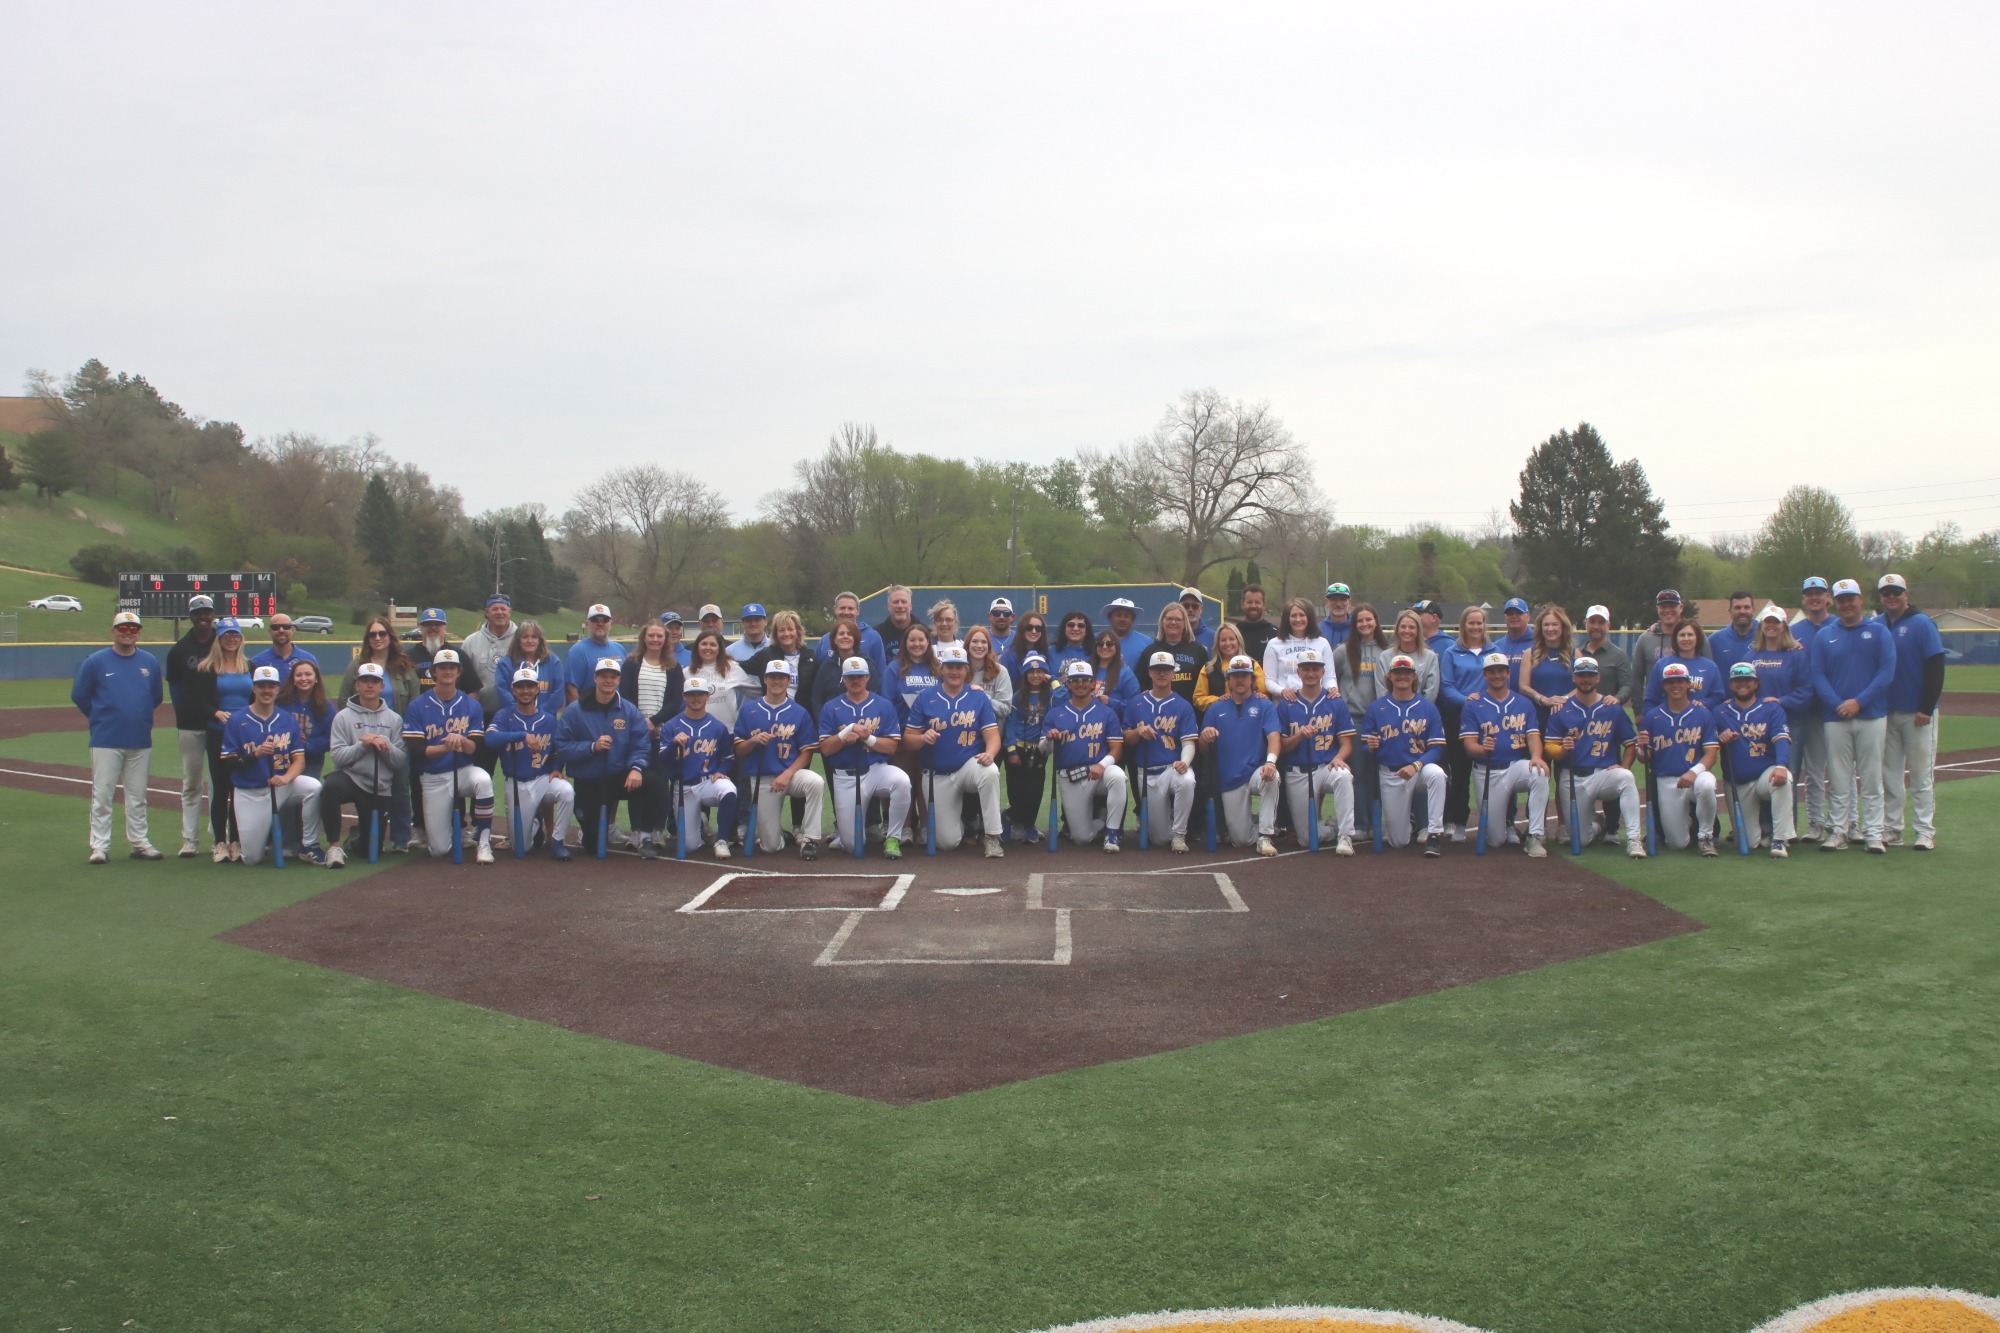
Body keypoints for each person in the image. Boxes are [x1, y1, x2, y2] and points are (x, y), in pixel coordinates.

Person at [1809, 578, 1897, 852]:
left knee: (1871, 777)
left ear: (1860, 600)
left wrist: (1859, 702)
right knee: (1838, 778)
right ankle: (1839, 830)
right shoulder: (1824, 635)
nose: (1847, 604)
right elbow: (1818, 675)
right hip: (1836, 717)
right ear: (1834, 602)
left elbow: (1886, 673)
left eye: (1851, 599)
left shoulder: (1879, 632)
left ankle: (1873, 832)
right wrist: (1838, 704)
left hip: (1872, 715)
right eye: (1842, 600)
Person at [72, 610, 165, 863]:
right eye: (123, 629)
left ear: (139, 634)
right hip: (106, 739)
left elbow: (155, 697)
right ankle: (99, 846)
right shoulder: (96, 662)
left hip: (140, 739)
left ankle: (139, 842)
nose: (128, 633)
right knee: (103, 795)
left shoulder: (149, 662)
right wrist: (101, 717)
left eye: (133, 629)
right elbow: (80, 695)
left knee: (137, 796)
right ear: (113, 632)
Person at [903, 644, 1005, 856]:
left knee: (990, 771)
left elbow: (993, 736)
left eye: (959, 667)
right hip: (936, 775)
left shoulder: (978, 697)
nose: (954, 672)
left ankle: (992, 836)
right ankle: (959, 823)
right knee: (946, 843)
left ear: (966, 670)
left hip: (968, 767)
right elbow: (908, 740)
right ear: (942, 669)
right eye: (950, 667)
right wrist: (922, 738)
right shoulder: (926, 697)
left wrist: (990, 753)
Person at [223, 664, 327, 866]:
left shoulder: (287, 720)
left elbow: (299, 761)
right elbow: (228, 762)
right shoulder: (237, 720)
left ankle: (309, 845)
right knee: (252, 858)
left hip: (281, 787)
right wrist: (255, 754)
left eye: (271, 686)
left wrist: (286, 778)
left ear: (278, 688)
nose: (267, 691)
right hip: (250, 792)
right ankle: (259, 840)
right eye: (262, 686)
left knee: (313, 787)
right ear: (253, 688)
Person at [1545, 657, 1647, 859]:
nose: (1586, 679)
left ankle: (1634, 839)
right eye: (1581, 675)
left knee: (1626, 778)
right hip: (1572, 777)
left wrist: (1624, 766)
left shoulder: (1612, 707)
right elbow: (1549, 748)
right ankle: (1598, 823)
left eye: (1590, 675)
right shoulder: (1561, 709)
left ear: (1598, 678)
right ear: (1574, 678)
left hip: (1602, 775)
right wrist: (1562, 749)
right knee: (1580, 839)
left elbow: (1630, 744)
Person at [401, 650, 495, 862]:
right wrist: (445, 747)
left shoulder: (471, 705)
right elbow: (416, 750)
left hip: (463, 771)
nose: (447, 671)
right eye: (442, 667)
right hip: (433, 777)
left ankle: (484, 843)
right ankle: (448, 833)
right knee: (439, 850)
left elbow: (474, 748)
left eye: (452, 667)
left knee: (483, 780)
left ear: (459, 672)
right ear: (434, 672)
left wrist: (461, 741)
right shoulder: (417, 705)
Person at [1874, 572, 1945, 851]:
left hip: (1917, 713)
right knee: (1890, 774)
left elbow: (1936, 667)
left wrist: (1926, 707)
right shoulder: (1877, 624)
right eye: (1886, 593)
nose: (1891, 597)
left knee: (1920, 774)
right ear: (1881, 597)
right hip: (1886, 711)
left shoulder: (1922, 623)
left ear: (1906, 595)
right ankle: (1893, 828)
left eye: (1896, 592)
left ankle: (1925, 830)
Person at [817, 656, 913, 858]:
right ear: (844, 679)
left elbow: (891, 747)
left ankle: (893, 837)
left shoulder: (883, 705)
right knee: (853, 846)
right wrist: (847, 732)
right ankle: (847, 836)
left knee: (902, 781)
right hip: (845, 776)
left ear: (868, 677)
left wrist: (867, 738)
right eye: (851, 677)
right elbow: (825, 749)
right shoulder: (831, 707)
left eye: (860, 676)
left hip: (876, 770)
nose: (856, 681)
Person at [557, 658, 652, 859]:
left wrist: (636, 768)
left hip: (618, 777)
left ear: (618, 680)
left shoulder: (628, 710)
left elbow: (641, 743)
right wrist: (592, 747)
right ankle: (589, 830)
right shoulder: (575, 710)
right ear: (595, 678)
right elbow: (562, 746)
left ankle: (645, 836)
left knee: (654, 782)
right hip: (588, 780)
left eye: (613, 677)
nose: (608, 680)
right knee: (592, 845)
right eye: (604, 676)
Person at [1459, 651, 1550, 857]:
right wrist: (1483, 749)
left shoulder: (1523, 703)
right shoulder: (1473, 704)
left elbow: (1533, 736)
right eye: (1492, 671)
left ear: (1508, 673)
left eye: (1501, 671)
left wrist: (1536, 756)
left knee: (1540, 773)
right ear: (1485, 675)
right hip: (1487, 771)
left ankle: (1534, 836)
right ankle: (1505, 827)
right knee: (1496, 840)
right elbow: (1469, 746)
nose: (1497, 675)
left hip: (1515, 766)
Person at [319, 661, 409, 867]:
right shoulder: (342, 717)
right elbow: (338, 757)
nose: (370, 685)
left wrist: (384, 745)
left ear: (382, 686)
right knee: (331, 787)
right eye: (365, 681)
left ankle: (355, 839)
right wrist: (363, 745)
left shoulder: (394, 719)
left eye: (374, 682)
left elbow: (399, 761)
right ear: (357, 685)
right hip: (351, 778)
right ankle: (334, 847)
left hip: (379, 785)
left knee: (371, 851)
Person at [735, 660, 826, 859]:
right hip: (762, 779)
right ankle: (779, 835)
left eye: (781, 677)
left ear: (788, 681)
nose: (777, 681)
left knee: (815, 782)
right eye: (773, 677)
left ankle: (810, 840)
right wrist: (752, 741)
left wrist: (788, 774)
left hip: (790, 775)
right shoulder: (749, 710)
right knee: (770, 847)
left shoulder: (799, 712)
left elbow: (807, 752)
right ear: (765, 679)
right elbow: (740, 750)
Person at [1359, 655, 1447, 854]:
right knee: (1398, 842)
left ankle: (1434, 834)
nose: (1402, 676)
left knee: (1437, 774)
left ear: (1414, 676)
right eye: (1397, 672)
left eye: (1407, 672)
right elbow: (1367, 751)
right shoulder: (1376, 708)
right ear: (1390, 676)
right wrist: (1370, 747)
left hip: (1419, 770)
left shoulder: (1428, 707)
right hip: (1392, 773)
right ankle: (1408, 821)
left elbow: (1437, 749)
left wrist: (1416, 765)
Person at [484, 667, 575, 861]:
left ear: (537, 689)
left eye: (530, 686)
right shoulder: (504, 716)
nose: (525, 691)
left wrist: (557, 768)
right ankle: (535, 822)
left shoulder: (548, 719)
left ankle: (557, 841)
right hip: (516, 783)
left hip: (542, 779)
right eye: (520, 687)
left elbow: (559, 748)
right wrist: (522, 735)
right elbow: (489, 739)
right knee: (521, 848)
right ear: (513, 690)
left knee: (567, 792)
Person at [1276, 649, 1356, 855]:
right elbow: (1281, 747)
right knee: (1306, 839)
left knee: (1343, 775)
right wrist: (1298, 736)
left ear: (1322, 672)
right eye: (1306, 669)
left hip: (1325, 767)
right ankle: (1331, 829)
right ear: (1298, 672)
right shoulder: (1287, 704)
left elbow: (1347, 744)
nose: (1310, 673)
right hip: (1297, 771)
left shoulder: (1335, 701)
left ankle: (1345, 836)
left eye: (1315, 669)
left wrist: (1339, 758)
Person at [1197, 655, 1280, 854]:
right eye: (1236, 676)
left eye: (1245, 675)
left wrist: (1270, 762)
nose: (1240, 680)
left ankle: (1265, 835)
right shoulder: (1216, 708)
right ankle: (1254, 826)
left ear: (1252, 679)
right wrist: (1205, 736)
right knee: (1241, 840)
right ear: (1229, 680)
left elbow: (1274, 737)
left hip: (1256, 771)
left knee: (1272, 777)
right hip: (1230, 778)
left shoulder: (1265, 705)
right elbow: (1202, 749)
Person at [1045, 660, 1130, 852]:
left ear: (1093, 684)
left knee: (1117, 775)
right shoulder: (1055, 713)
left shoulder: (1107, 713)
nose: (1080, 684)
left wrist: (1102, 764)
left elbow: (1117, 749)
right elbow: (1044, 751)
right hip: (1071, 776)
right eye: (1075, 680)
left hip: (1099, 772)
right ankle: (1101, 821)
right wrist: (1049, 740)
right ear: (1068, 684)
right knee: (1082, 839)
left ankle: (1112, 834)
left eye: (1085, 680)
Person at [1713, 661, 1795, 858]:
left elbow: (1781, 739)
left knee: (1783, 779)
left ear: (1756, 683)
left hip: (1765, 774)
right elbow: (1706, 741)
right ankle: (1763, 834)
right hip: (1738, 781)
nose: (1742, 684)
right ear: (1731, 684)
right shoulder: (1720, 712)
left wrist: (1781, 765)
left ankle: (1780, 839)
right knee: (1750, 843)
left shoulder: (1771, 708)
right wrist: (1719, 737)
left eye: (1747, 680)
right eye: (1738, 680)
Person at [1638, 662, 1721, 856]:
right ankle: (1690, 824)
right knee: (1677, 844)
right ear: (1664, 686)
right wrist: (1641, 749)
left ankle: (1706, 837)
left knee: (1707, 784)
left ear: (1688, 684)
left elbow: (1711, 755)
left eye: (1680, 681)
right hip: (1667, 780)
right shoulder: (1652, 717)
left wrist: (1693, 772)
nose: (1675, 686)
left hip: (1696, 776)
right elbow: (1644, 758)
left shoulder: (1703, 714)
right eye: (1670, 682)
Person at [191, 617, 256, 862]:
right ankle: (220, 842)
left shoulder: (249, 666)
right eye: (227, 635)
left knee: (239, 787)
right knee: (221, 788)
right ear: (218, 639)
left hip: (244, 734)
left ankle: (237, 841)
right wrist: (215, 713)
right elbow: (200, 702)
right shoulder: (207, 668)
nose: (231, 639)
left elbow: (256, 699)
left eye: (235, 635)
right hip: (218, 733)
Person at [1125, 651, 1201, 852]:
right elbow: (1126, 740)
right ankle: (1168, 821)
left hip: (1171, 768)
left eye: (1166, 669)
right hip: (1146, 774)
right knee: (1158, 840)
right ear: (1149, 672)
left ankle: (1179, 834)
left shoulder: (1183, 705)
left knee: (1186, 779)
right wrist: (1138, 731)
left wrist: (1185, 761)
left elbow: (1189, 742)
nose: (1161, 673)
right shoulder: (1136, 703)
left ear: (1173, 673)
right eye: (1157, 669)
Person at [165, 593, 218, 858]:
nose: (202, 617)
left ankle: (220, 837)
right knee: (192, 782)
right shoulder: (180, 649)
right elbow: (174, 686)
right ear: (191, 616)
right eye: (198, 613)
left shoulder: (224, 642)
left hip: (220, 724)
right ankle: (190, 839)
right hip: (190, 724)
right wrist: (182, 711)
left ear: (213, 614)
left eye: (206, 612)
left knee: (220, 783)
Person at [662, 677, 737, 859]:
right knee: (690, 846)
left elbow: (728, 758)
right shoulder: (671, 726)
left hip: (707, 783)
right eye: (691, 694)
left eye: (700, 694)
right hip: (683, 786)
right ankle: (701, 825)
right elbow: (662, 761)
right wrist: (673, 745)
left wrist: (722, 771)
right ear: (684, 696)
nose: (696, 699)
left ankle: (721, 841)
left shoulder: (717, 727)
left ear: (707, 696)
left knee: (729, 789)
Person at [1439, 606, 1492, 843]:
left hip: (1488, 719)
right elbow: (1446, 686)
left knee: (1493, 770)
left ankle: (1502, 821)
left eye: (1479, 623)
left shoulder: (1494, 651)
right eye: (1471, 623)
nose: (1475, 627)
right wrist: (1466, 700)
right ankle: (1457, 821)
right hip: (1458, 718)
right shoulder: (1452, 652)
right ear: (1463, 625)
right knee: (1459, 773)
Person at [1789, 576, 1836, 839]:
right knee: (1815, 771)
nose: (1814, 597)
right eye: (1810, 593)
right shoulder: (1793, 630)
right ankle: (1816, 822)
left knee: (1843, 772)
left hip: (1838, 711)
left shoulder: (1840, 625)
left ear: (1828, 597)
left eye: (1819, 593)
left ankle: (1846, 822)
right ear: (1804, 598)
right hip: (1808, 712)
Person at [1336, 606, 1389, 835]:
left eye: (1369, 619)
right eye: (1360, 620)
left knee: (1378, 774)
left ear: (1376, 621)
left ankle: (1377, 824)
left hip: (1380, 721)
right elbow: (1331, 681)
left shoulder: (1387, 651)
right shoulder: (1343, 651)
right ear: (1354, 624)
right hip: (1353, 719)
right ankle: (1360, 824)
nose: (1365, 624)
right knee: (1356, 773)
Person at [1002, 654, 1055, 842]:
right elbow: (1010, 724)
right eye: (1031, 672)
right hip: (1018, 749)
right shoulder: (1018, 696)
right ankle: (1010, 818)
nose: (1035, 675)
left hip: (1039, 750)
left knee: (1035, 791)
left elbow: (1063, 696)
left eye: (1040, 671)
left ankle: (1027, 824)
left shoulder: (1049, 696)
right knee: (1018, 790)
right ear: (1025, 675)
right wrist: (1011, 750)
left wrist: (1053, 679)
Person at [1262, 597, 1336, 701]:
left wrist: (1332, 689)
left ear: (1309, 617)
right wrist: (1283, 691)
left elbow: (1329, 677)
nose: (1298, 619)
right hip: (1285, 704)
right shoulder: (1274, 644)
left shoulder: (1322, 643)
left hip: (1316, 703)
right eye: (1293, 616)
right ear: (1287, 619)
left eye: (1302, 615)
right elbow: (1269, 681)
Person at [493, 620, 567, 723]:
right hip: (514, 721)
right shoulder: (505, 664)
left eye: (534, 637)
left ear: (540, 640)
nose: (530, 640)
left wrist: (539, 715)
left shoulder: (553, 662)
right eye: (525, 637)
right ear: (518, 641)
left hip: (545, 721)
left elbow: (558, 694)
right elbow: (503, 693)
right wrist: (521, 713)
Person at [460, 594, 520, 719]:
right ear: (486, 612)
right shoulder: (471, 642)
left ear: (510, 612)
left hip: (516, 712)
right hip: (479, 712)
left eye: (503, 609)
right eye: (494, 609)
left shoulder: (521, 639)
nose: (499, 612)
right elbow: (462, 679)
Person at [1517, 605, 1576, 725]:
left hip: (1568, 716)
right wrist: (1543, 700)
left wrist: (1563, 699)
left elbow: (1581, 687)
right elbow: (1523, 687)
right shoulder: (1530, 653)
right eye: (1546, 625)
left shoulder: (1575, 653)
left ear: (1563, 627)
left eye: (1555, 624)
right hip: (1537, 716)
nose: (1550, 629)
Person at [1643, 620, 1720, 712]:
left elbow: (1717, 696)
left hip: (1697, 717)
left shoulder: (1710, 666)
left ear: (1697, 638)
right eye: (1682, 635)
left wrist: (1704, 703)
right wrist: (1652, 718)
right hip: (1668, 717)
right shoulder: (1662, 664)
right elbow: (1650, 699)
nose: (1686, 638)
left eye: (1690, 635)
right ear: (1676, 638)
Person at [1141, 602, 1209, 706]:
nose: (1173, 622)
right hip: (1157, 710)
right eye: (1169, 619)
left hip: (1191, 710)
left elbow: (1207, 682)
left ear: (1184, 624)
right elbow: (1141, 682)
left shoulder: (1198, 650)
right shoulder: (1150, 651)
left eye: (1178, 619)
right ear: (1162, 622)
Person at [685, 628, 752, 731]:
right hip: (698, 732)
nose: (708, 647)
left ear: (720, 649)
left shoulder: (731, 668)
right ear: (697, 647)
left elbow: (756, 691)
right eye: (704, 644)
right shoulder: (686, 672)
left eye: (713, 645)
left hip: (728, 731)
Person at [277, 658, 333, 781]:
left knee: (309, 787)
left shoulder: (326, 707)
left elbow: (331, 738)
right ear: (293, 679)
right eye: (299, 675)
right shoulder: (280, 702)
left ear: (316, 678)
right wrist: (292, 739)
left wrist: (308, 743)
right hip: (283, 758)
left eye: (308, 674)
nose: (303, 678)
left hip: (311, 760)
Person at [743, 609, 815, 703]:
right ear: (776, 634)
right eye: (781, 630)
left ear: (798, 632)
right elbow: (740, 667)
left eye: (790, 629)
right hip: (774, 709)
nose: (786, 634)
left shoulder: (810, 657)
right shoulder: (766, 654)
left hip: (802, 711)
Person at [816, 591, 889, 681]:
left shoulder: (873, 637)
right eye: (842, 608)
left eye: (850, 608)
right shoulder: (825, 640)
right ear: (835, 610)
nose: (846, 612)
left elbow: (881, 673)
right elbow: (818, 675)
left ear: (857, 611)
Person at [1195, 623, 1267, 714]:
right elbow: (1198, 698)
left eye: (1232, 639)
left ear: (1238, 640)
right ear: (1217, 643)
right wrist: (1218, 700)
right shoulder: (1209, 668)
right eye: (1223, 640)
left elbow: (1264, 695)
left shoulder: (1252, 665)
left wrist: (1258, 697)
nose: (1228, 643)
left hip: (1249, 715)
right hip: (1219, 716)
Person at [408, 608, 482, 695]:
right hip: (418, 704)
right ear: (421, 628)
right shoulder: (408, 657)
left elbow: (473, 690)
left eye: (438, 624)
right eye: (428, 624)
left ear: (445, 628)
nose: (433, 627)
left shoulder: (459, 655)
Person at [1629, 589, 1686, 699]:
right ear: (1657, 609)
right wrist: (1638, 707)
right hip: (1654, 704)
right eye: (1663, 606)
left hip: (1687, 704)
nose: (1667, 610)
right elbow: (1636, 678)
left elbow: (1707, 670)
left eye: (1672, 606)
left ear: (1681, 608)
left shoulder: (1693, 638)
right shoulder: (1645, 639)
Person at [565, 605, 626, 702]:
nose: (600, 623)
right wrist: (579, 711)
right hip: (588, 708)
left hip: (616, 708)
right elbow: (571, 689)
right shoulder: (577, 651)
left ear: (610, 623)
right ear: (587, 623)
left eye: (605, 620)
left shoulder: (619, 649)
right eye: (595, 620)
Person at [810, 620, 870, 718]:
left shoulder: (866, 664)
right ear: (834, 639)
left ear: (855, 639)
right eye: (841, 634)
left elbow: (873, 697)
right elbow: (817, 698)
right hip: (831, 721)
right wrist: (823, 722)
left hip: (861, 720)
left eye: (849, 634)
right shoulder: (826, 666)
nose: (845, 636)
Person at [1578, 605, 1634, 707]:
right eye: (1592, 622)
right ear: (1586, 623)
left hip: (1607, 712)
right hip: (1580, 712)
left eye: (1601, 623)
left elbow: (1627, 685)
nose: (1596, 627)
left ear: (1608, 626)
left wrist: (1617, 698)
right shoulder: (1577, 654)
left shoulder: (1619, 655)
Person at [1380, 609, 1441, 702]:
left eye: (1411, 627)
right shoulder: (1385, 657)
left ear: (1418, 630)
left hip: (1421, 710)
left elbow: (1431, 693)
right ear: (1397, 629)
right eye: (1403, 626)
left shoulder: (1431, 657)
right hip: (1390, 709)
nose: (1407, 630)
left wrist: (1416, 708)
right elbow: (1382, 691)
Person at [963, 625, 1014, 723]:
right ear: (967, 645)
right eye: (974, 641)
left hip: (993, 729)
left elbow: (1005, 709)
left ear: (989, 646)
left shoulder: (1000, 672)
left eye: (984, 642)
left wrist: (983, 696)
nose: (979, 646)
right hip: (964, 728)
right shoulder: (959, 671)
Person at [250, 613, 319, 678]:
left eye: (286, 626)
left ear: (292, 630)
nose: (281, 630)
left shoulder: (308, 659)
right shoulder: (257, 662)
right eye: (275, 627)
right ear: (270, 631)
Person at [1707, 591, 1758, 676]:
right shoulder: (1714, 640)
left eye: (1746, 607)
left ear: (1753, 610)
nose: (1742, 611)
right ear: (1730, 611)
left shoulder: (1765, 636)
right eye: (1737, 607)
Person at [1090, 629, 1141, 706]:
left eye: (1109, 644)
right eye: (1100, 644)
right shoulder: (1087, 670)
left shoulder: (1126, 674)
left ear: (1116, 647)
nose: (1104, 647)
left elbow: (1136, 704)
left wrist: (1110, 702)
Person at [1004, 613, 1052, 687]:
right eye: (1029, 627)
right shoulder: (1009, 656)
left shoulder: (1048, 652)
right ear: (1022, 629)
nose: (1034, 631)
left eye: (1038, 628)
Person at [1234, 584, 1278, 665]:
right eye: (1249, 602)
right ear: (1242, 604)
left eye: (1257, 602)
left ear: (1264, 605)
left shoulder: (1276, 633)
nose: (1253, 606)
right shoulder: (1234, 633)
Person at [1492, 597, 1536, 671]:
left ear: (1528, 617)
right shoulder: (1497, 647)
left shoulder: (1538, 643)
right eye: (1510, 613)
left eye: (1518, 613)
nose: (1514, 616)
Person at [1102, 597, 1150, 664]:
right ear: (1110, 617)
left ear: (1133, 619)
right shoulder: (1096, 640)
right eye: (1118, 615)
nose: (1122, 619)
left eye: (1126, 616)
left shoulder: (1146, 642)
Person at [875, 585, 916, 651]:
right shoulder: (877, 635)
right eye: (895, 602)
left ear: (910, 606)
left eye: (904, 602)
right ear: (888, 607)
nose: (900, 606)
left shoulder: (925, 633)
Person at [1179, 586, 1216, 650]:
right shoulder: (1172, 635)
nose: (1190, 609)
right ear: (1179, 608)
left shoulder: (1213, 637)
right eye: (1186, 606)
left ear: (1201, 609)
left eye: (1195, 606)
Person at [1319, 583, 1353, 649]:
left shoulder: (1358, 628)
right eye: (1334, 599)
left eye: (1343, 599)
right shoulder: (1318, 630)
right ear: (1326, 602)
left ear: (1349, 602)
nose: (1338, 604)